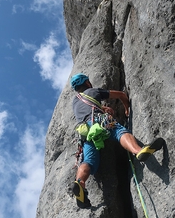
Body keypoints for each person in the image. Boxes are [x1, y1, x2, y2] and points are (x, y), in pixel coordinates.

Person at [70, 73, 164, 208]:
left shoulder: (75, 101)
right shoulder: (92, 91)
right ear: (87, 83)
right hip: (98, 120)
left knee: (88, 161)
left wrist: (102, 108)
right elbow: (121, 95)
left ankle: (80, 182)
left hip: (85, 132)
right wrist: (126, 109)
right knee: (119, 132)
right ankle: (138, 151)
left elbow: (87, 108)